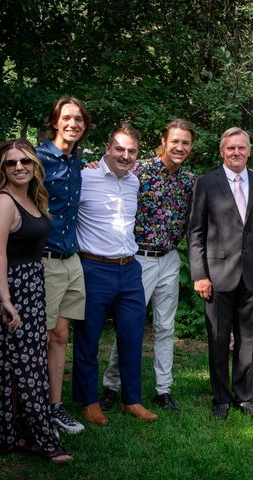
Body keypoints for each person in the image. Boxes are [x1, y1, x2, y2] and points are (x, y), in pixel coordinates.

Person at [0, 139, 72, 464]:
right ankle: (44, 441)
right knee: (27, 366)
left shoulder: (31, 198)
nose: (19, 167)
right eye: (11, 163)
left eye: (25, 162)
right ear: (2, 169)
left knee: (19, 364)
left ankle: (12, 433)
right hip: (13, 291)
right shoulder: (4, 201)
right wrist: (6, 300)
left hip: (32, 287)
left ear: (35, 166)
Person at [100, 119, 196, 413]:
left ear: (191, 147)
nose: (179, 147)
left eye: (186, 143)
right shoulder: (138, 171)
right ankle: (110, 386)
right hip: (138, 258)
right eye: (175, 141)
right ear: (164, 141)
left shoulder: (190, 181)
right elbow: (109, 174)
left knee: (166, 327)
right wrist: (96, 164)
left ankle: (163, 390)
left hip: (169, 258)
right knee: (131, 326)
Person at [187, 127, 253, 421]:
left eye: (241, 148)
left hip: (252, 274)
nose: (236, 153)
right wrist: (199, 274)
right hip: (216, 275)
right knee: (217, 338)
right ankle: (220, 398)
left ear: (249, 151)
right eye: (231, 148)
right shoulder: (206, 183)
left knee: (246, 339)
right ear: (222, 151)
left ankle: (243, 397)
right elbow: (196, 233)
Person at [73, 124, 158, 426]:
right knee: (88, 338)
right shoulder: (85, 177)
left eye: (131, 151)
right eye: (120, 149)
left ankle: (131, 400)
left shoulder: (135, 181)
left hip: (129, 269)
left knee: (133, 337)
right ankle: (89, 401)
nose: (125, 155)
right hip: (94, 268)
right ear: (107, 148)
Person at [36, 96, 91, 434]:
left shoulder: (76, 163)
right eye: (67, 118)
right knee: (40, 337)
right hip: (44, 260)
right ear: (55, 121)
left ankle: (55, 407)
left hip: (72, 260)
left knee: (60, 336)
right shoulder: (37, 159)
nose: (73, 124)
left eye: (79, 119)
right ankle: (35, 407)